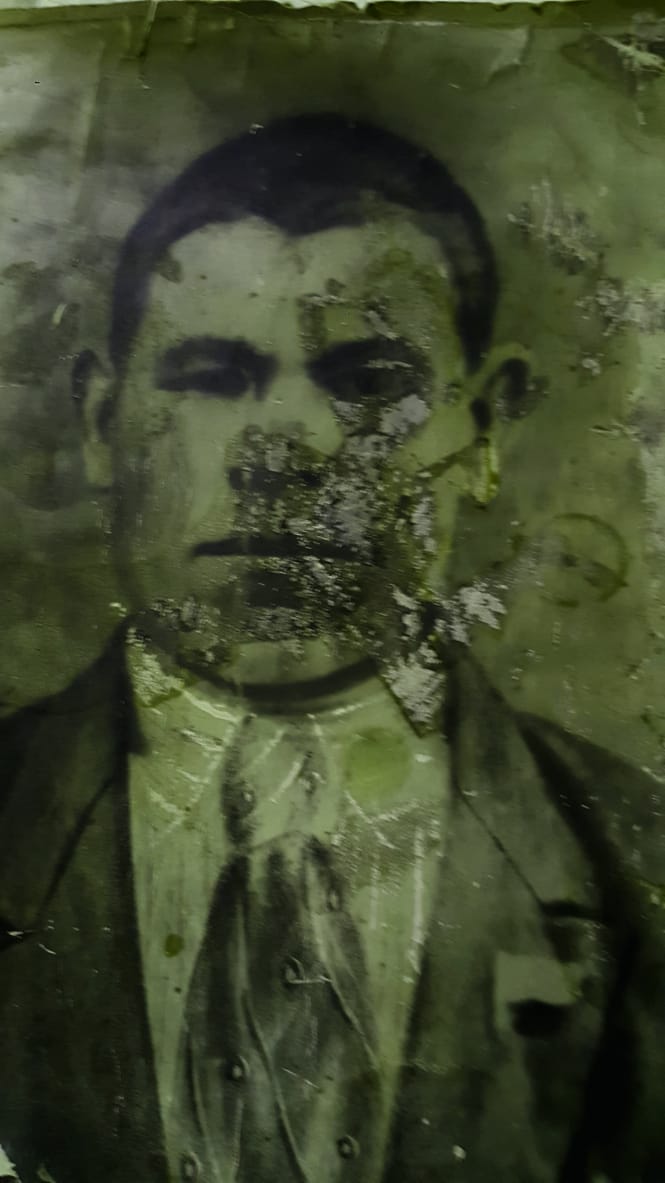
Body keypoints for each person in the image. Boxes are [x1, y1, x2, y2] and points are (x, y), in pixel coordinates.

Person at [0, 113, 663, 1183]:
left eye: (370, 380)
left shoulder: (637, 861)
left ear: (483, 431)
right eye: (211, 375)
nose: (283, 448)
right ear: (100, 422)